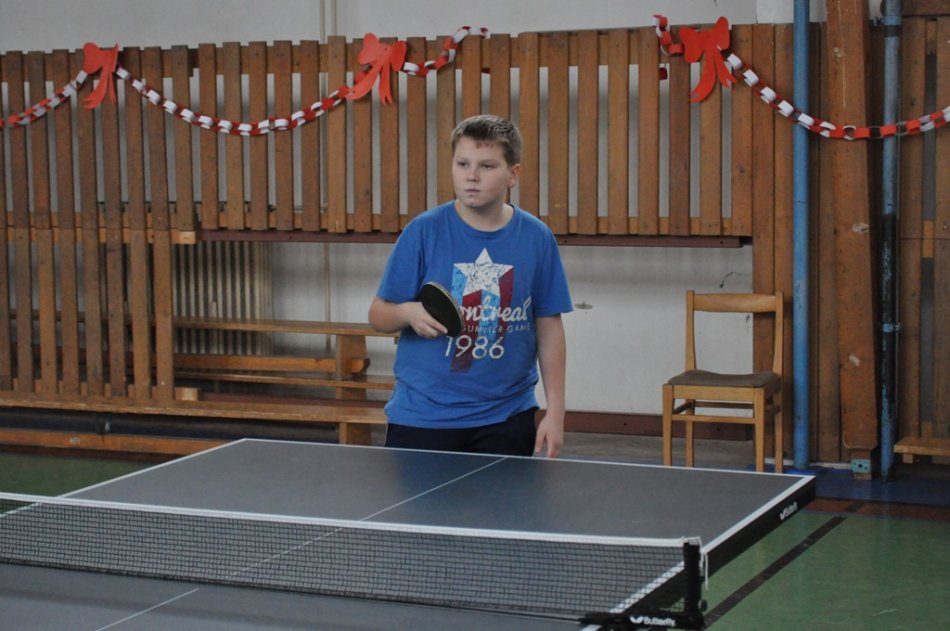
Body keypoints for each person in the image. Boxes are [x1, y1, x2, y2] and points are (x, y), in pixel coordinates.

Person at [368, 114, 572, 458]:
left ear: (513, 174)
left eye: (487, 166)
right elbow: (378, 315)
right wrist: (408, 312)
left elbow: (549, 326)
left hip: (507, 417)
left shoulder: (537, 238)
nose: (471, 176)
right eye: (462, 164)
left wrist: (557, 412)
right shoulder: (423, 231)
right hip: (424, 416)